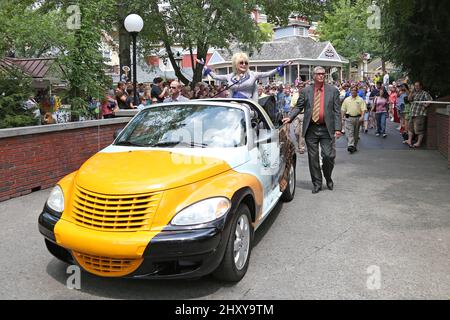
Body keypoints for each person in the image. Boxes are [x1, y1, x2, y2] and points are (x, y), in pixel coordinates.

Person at [282, 66, 342, 194]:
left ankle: (328, 176)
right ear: (314, 76)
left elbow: (337, 111)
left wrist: (338, 128)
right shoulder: (306, 91)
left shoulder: (333, 91)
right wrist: (290, 118)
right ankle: (317, 183)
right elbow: (299, 106)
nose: (321, 76)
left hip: (327, 129)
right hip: (311, 129)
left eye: (323, 74)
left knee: (328, 156)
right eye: (319, 74)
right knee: (313, 158)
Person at [197, 53, 292, 102]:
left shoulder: (253, 74)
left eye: (246, 63)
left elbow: (268, 74)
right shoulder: (229, 76)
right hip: (234, 106)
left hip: (249, 106)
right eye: (241, 62)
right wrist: (203, 66)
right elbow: (214, 76)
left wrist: (282, 66)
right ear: (235, 64)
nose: (244, 64)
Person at [404, 81, 433, 148]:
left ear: (421, 86)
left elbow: (430, 100)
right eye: (415, 86)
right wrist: (411, 92)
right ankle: (409, 140)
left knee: (419, 129)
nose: (416, 87)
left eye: (417, 86)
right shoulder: (414, 93)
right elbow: (409, 99)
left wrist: (425, 105)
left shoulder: (424, 93)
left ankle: (418, 143)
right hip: (412, 113)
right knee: (410, 128)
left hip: (420, 114)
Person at [341, 86, 366, 153]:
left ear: (357, 91)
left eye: (355, 90)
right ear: (350, 91)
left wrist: (362, 116)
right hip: (349, 118)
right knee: (349, 133)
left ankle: (354, 146)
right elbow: (343, 109)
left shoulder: (360, 100)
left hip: (357, 118)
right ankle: (350, 145)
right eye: (352, 90)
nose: (353, 91)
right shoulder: (347, 100)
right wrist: (341, 118)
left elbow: (363, 109)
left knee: (356, 134)